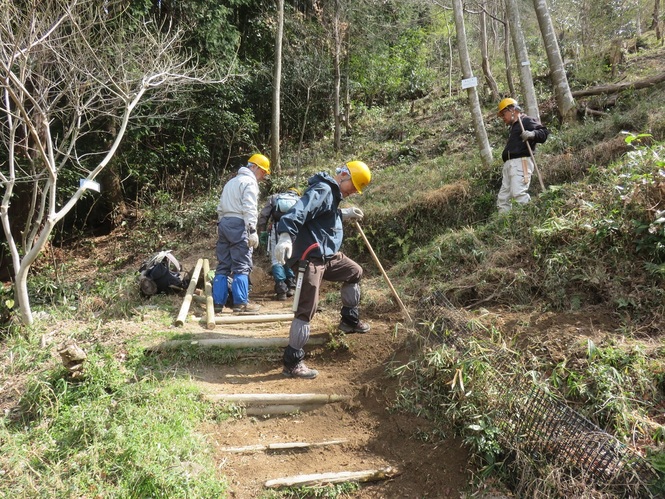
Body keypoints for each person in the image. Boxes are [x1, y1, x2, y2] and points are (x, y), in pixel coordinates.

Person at [274, 161, 372, 379]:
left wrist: (343, 214)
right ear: (344, 175)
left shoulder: (333, 194)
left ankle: (349, 320)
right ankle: (293, 362)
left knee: (354, 271)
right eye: (354, 185)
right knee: (306, 308)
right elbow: (300, 211)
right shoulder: (324, 189)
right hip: (311, 258)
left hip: (328, 256)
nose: (355, 191)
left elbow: (325, 216)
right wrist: (285, 236)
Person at [212, 153, 270, 314]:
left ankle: (218, 304)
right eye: (263, 172)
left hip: (224, 224)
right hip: (239, 225)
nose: (263, 176)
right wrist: (252, 230)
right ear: (255, 167)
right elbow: (249, 208)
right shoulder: (249, 183)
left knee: (223, 265)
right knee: (241, 266)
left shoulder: (231, 182)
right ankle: (240, 304)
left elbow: (220, 208)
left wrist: (221, 224)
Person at [496, 98, 549, 213]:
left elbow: (544, 133)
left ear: (512, 110)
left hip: (521, 162)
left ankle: (530, 217)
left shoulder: (526, 121)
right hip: (509, 165)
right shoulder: (514, 127)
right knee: (503, 199)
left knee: (518, 193)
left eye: (504, 114)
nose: (503, 118)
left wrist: (532, 134)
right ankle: (504, 225)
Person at [257, 187, 302, 301]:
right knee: (290, 256)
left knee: (276, 258)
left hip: (276, 231)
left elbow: (263, 215)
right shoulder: (300, 199)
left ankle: (281, 289)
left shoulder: (274, 198)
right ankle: (291, 285)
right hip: (294, 232)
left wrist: (261, 232)